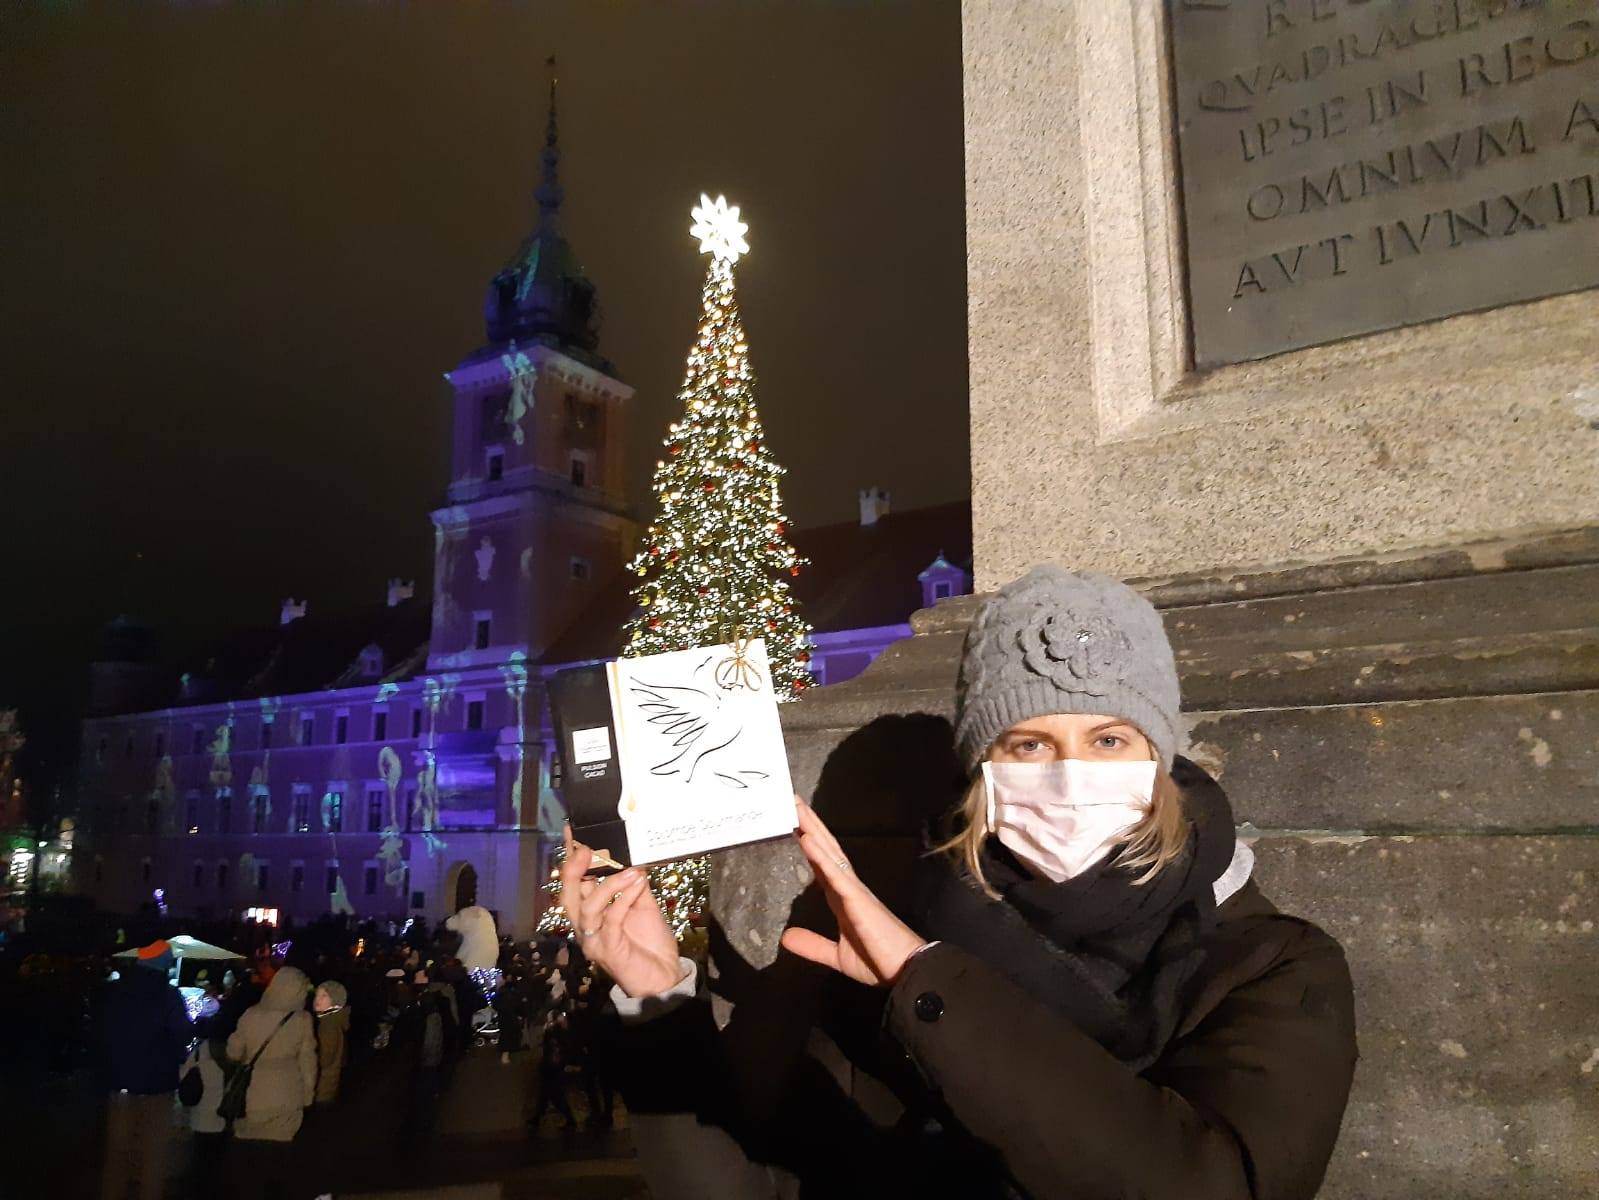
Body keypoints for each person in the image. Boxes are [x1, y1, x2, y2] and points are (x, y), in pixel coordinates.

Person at [565, 566, 1360, 1199]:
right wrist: (660, 1006)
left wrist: (929, 990)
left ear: (1164, 761)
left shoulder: (1270, 965)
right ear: (982, 772)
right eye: (1026, 745)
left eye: (1109, 738)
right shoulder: (880, 945)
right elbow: (758, 1185)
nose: (1070, 774)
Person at [95, 939, 193, 1200]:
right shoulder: (169, 995)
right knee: (154, 1157)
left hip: (120, 1085)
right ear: (164, 964)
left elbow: (101, 1031)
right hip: (158, 1087)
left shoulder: (115, 990)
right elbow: (183, 1034)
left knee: (117, 1156)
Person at [225, 965, 317, 1200]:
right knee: (279, 1154)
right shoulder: (302, 1019)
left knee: (249, 1157)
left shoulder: (250, 1014)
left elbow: (234, 1052)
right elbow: (308, 1062)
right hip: (287, 1093)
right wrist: (308, 1095)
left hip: (252, 1094)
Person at [182, 1032, 230, 1200]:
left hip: (201, 1115)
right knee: (217, 1163)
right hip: (224, 1114)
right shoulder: (233, 1050)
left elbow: (184, 1076)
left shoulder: (200, 1051)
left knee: (199, 1162)